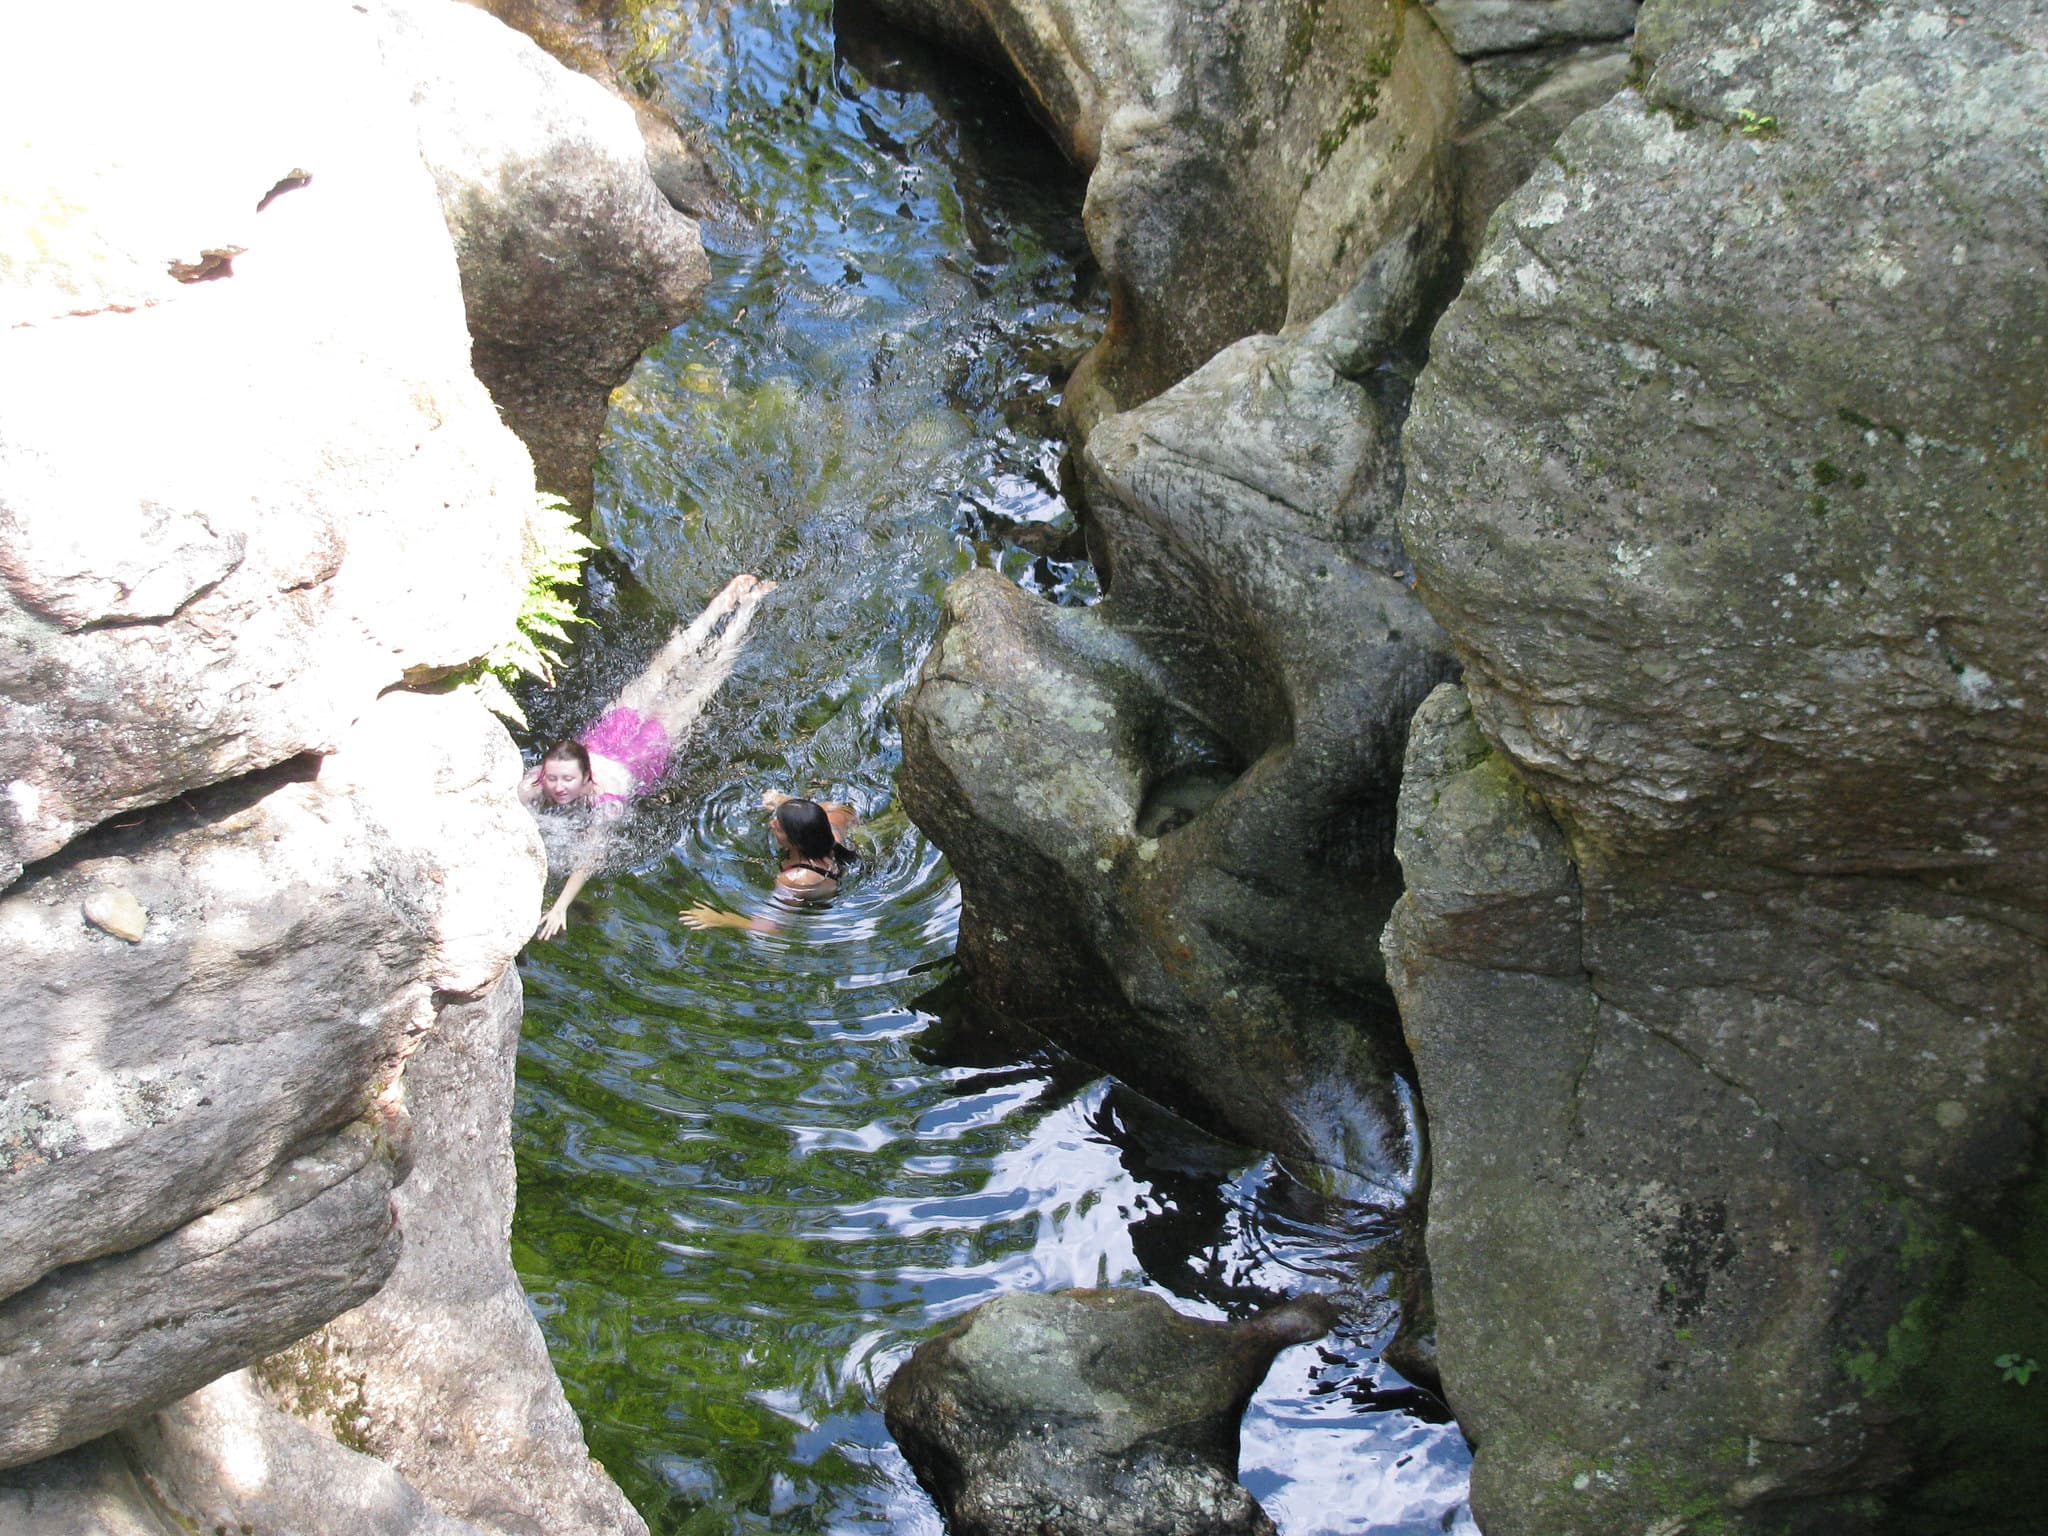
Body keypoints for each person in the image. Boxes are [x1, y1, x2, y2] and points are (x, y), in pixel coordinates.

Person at [521, 573, 773, 940]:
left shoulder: (608, 800)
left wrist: (561, 904)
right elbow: (512, 798)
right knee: (660, 668)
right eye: (553, 779)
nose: (558, 788)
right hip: (612, 732)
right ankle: (715, 609)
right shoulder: (542, 777)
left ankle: (744, 608)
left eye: (567, 781)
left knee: (704, 678)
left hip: (645, 750)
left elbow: (592, 854)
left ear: (587, 779)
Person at [678, 790, 859, 933]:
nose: (771, 824)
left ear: (795, 842)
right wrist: (786, 804)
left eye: (779, 827)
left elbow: (772, 928)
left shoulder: (795, 880)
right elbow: (844, 809)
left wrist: (720, 919)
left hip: (826, 908)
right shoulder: (832, 832)